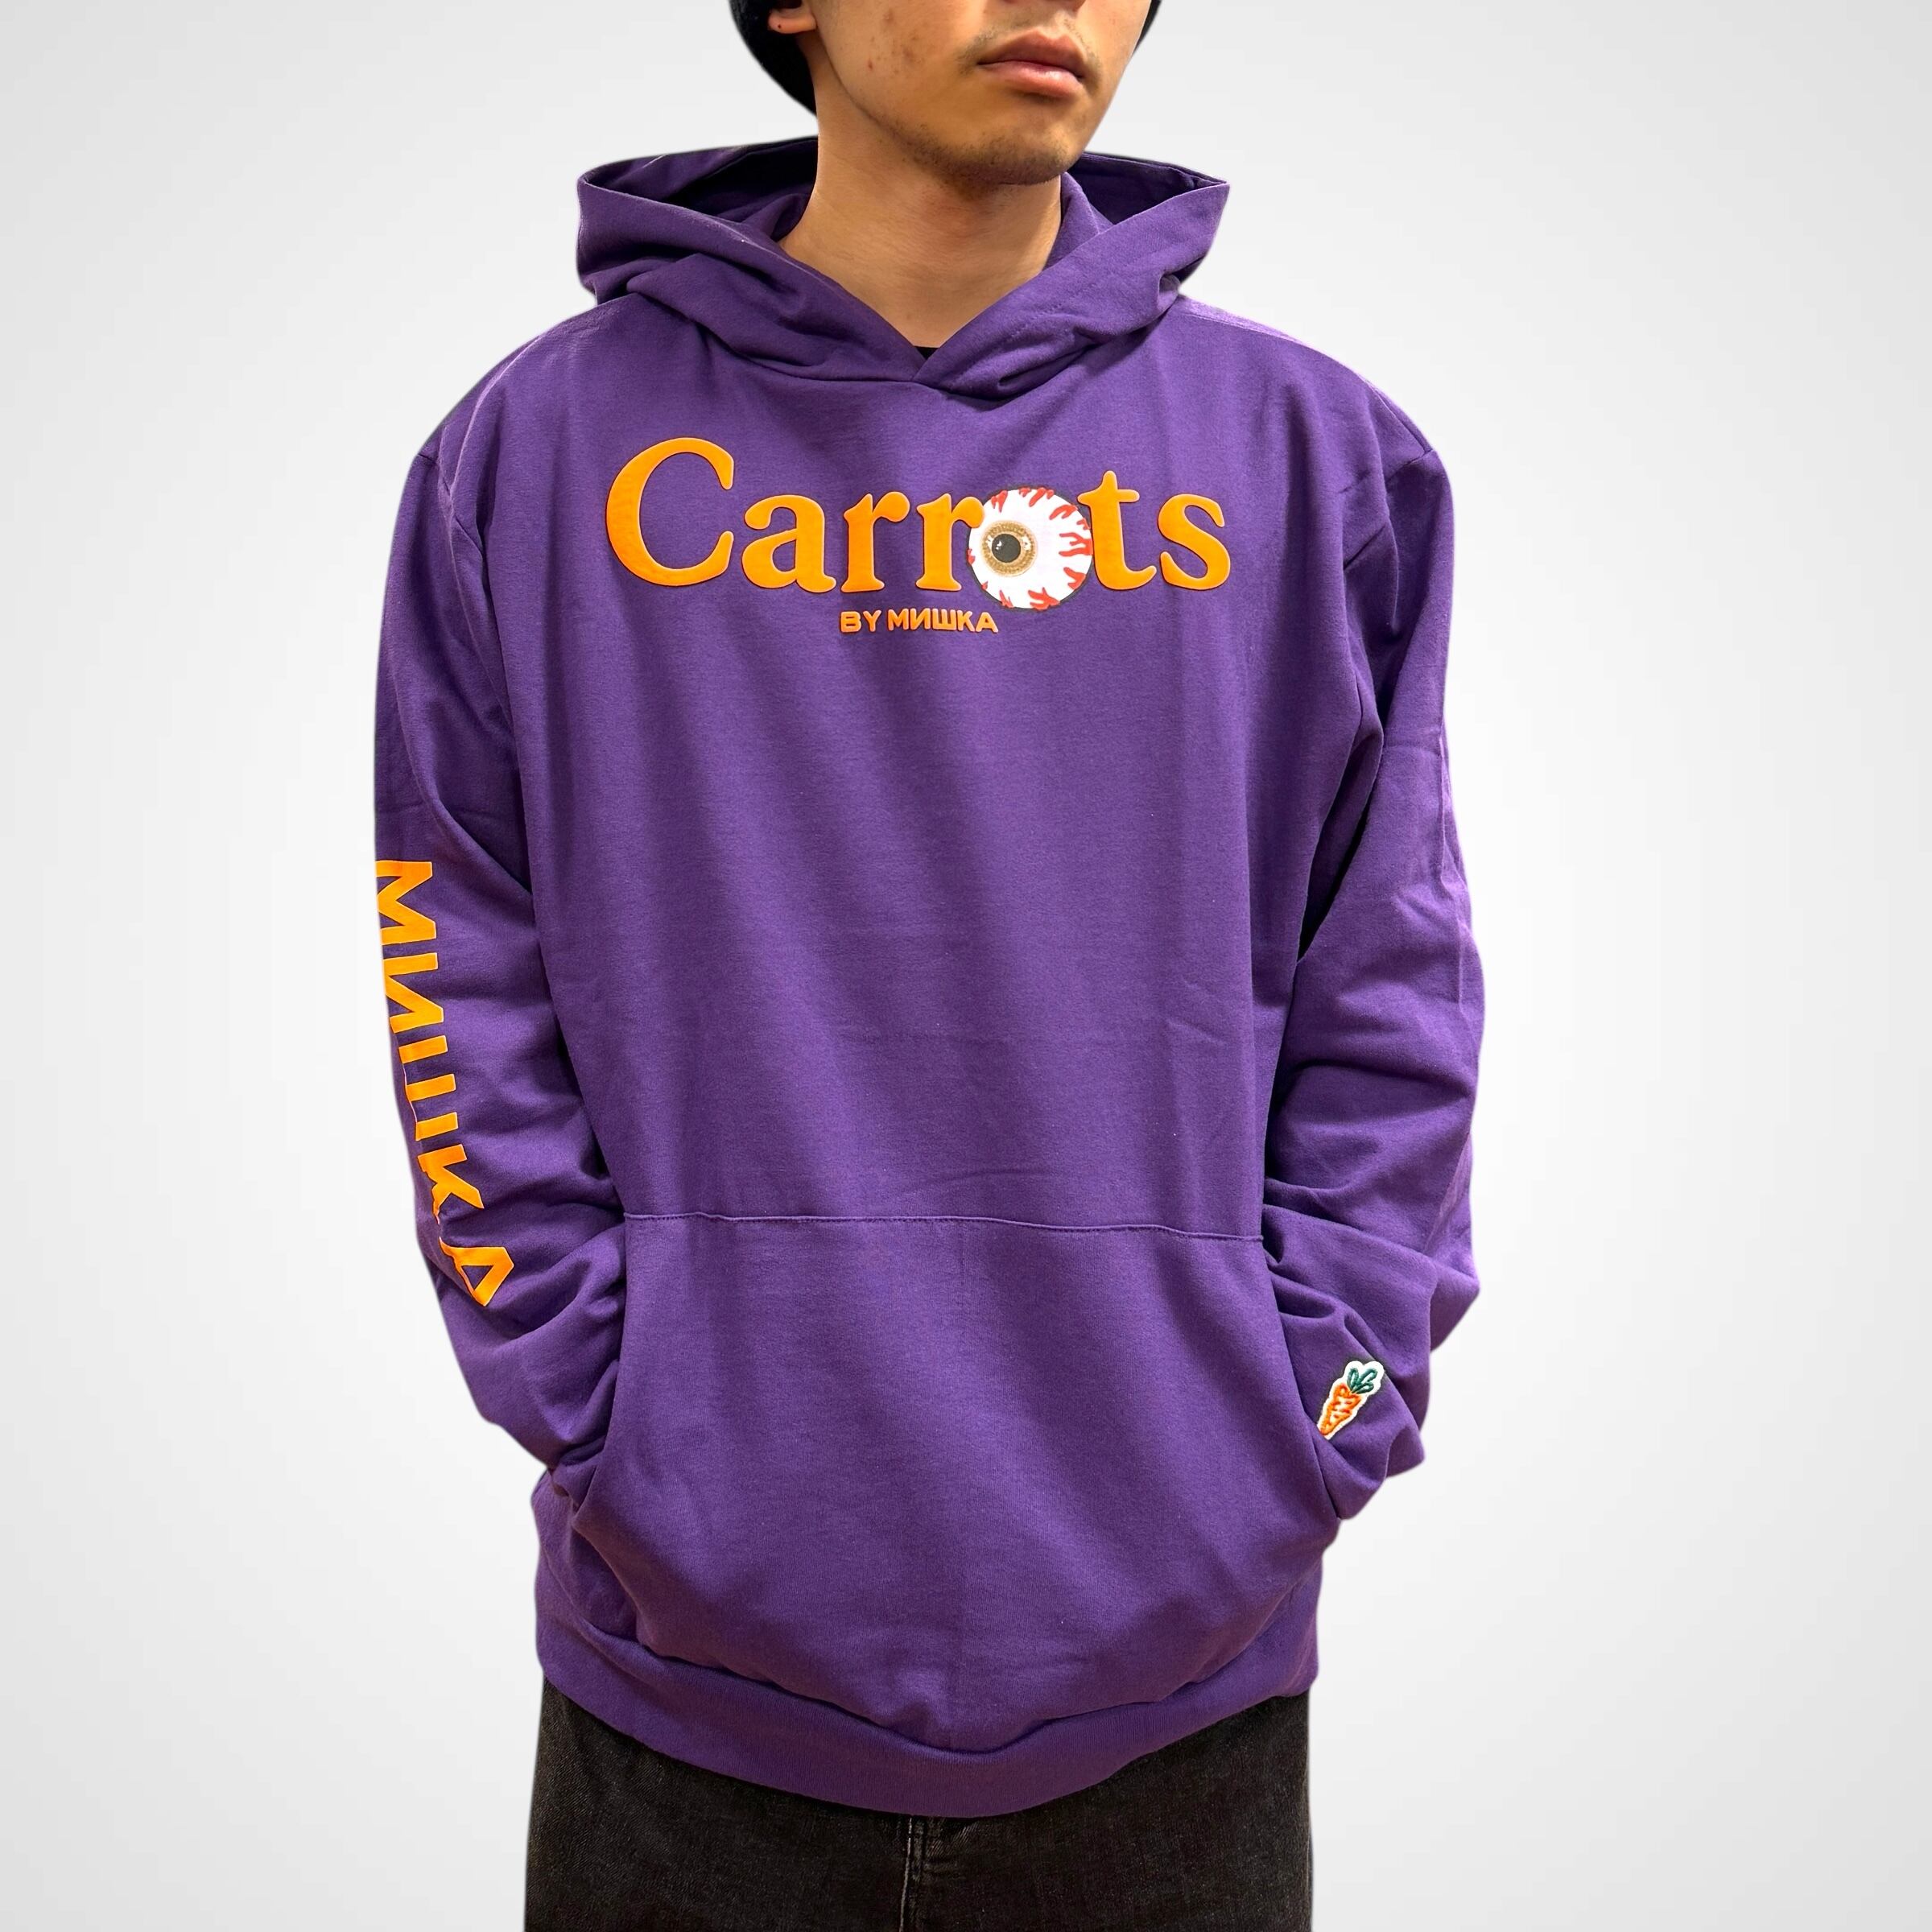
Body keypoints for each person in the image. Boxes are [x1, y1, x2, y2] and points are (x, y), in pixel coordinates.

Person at [370, 2, 1484, 1924]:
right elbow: (452, 954)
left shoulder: (1319, 458)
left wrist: (1326, 1401)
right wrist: (602, 1406)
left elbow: (1394, 972)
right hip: (684, 1690)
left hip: (1185, 1699)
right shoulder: (531, 452)